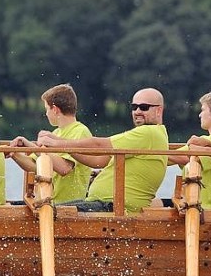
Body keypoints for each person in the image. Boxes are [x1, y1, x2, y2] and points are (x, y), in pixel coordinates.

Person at [36, 88, 168, 214]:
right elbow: (98, 161)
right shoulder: (146, 137)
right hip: (102, 204)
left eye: (144, 107)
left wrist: (58, 144)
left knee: (43, 212)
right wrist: (64, 146)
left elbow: (99, 144)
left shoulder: (149, 132)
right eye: (134, 107)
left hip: (113, 207)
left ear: (158, 110)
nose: (137, 111)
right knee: (43, 209)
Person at [9, 84, 93, 203]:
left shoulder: (80, 132)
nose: (46, 114)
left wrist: (32, 147)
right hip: (50, 203)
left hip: (70, 205)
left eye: (47, 109)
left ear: (55, 109)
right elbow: (35, 167)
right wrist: (13, 153)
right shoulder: (56, 132)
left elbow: (64, 168)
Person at [166, 91, 211, 210]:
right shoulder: (204, 140)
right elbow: (175, 156)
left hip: (204, 209)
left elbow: (184, 158)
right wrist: (154, 154)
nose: (199, 115)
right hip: (188, 205)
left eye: (203, 110)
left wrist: (150, 153)